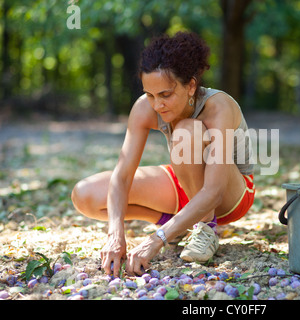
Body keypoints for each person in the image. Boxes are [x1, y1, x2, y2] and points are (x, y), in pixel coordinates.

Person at [71, 31, 255, 277]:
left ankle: (205, 229)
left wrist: (156, 240)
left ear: (190, 85)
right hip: (185, 186)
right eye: (150, 94)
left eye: (166, 95)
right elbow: (122, 177)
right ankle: (178, 224)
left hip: (229, 193)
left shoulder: (218, 107)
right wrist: (116, 235)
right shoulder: (144, 108)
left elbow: (214, 191)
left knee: (186, 131)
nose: (157, 105)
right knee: (86, 195)